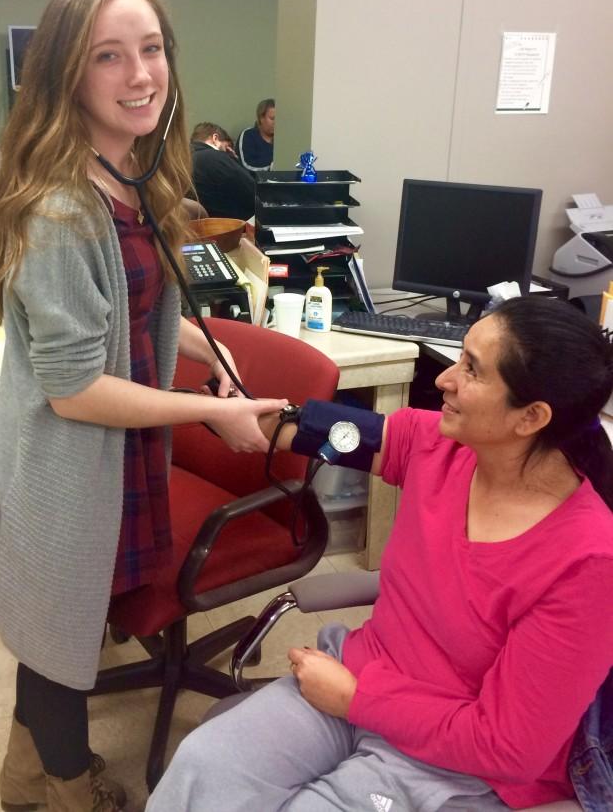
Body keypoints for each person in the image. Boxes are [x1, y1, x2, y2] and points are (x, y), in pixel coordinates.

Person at [0, 0, 287, 812]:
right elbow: (76, 388)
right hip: (60, 465)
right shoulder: (61, 206)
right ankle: (70, 793)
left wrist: (202, 353)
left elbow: (129, 311)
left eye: (150, 49)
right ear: (67, 74)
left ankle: (19, 778)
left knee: (55, 636)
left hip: (106, 461)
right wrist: (216, 410)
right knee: (60, 648)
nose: (140, 74)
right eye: (109, 57)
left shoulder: (129, 175)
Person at [148, 296, 613, 812]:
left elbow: (509, 748)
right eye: (458, 357)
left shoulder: (586, 563)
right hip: (356, 682)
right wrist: (232, 408)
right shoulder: (439, 445)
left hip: (453, 760)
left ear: (531, 417)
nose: (444, 380)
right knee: (203, 765)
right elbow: (330, 433)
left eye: (472, 371)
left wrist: (356, 700)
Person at [190, 121, 255, 218]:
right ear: (215, 138)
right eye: (226, 147)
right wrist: (233, 160)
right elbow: (252, 190)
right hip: (229, 227)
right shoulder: (214, 157)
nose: (228, 152)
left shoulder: (182, 159)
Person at [236, 98, 275, 171]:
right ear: (261, 118)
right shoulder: (248, 135)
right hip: (253, 181)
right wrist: (273, 167)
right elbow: (246, 165)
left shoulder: (284, 139)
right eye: (272, 118)